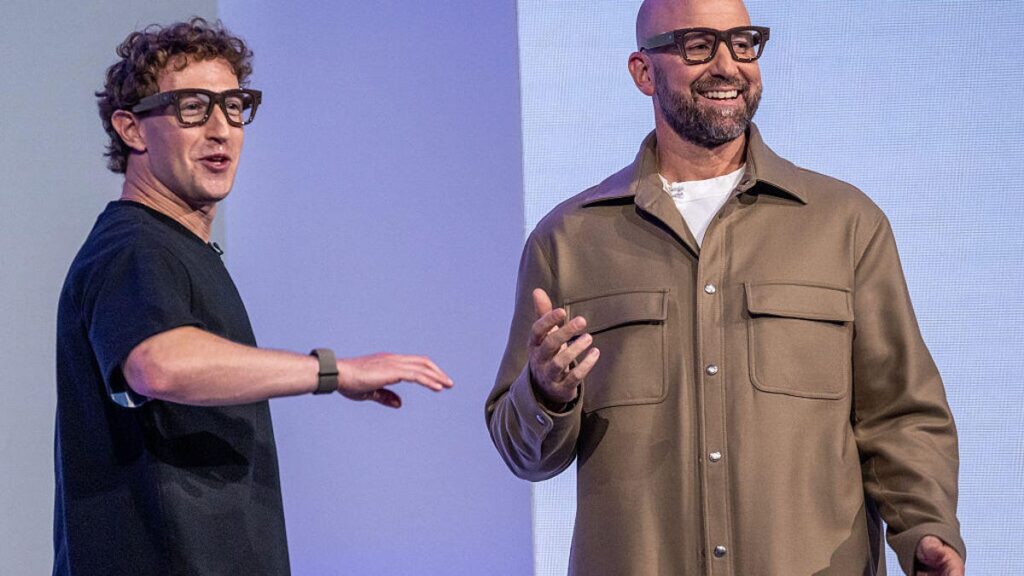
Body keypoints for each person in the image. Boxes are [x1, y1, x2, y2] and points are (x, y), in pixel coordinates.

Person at [485, 0, 964, 574]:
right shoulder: (568, 240)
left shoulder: (844, 224)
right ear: (643, 72)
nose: (728, 65)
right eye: (696, 45)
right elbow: (522, 453)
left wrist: (927, 530)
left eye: (743, 43)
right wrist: (545, 393)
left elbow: (900, 413)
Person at [54, 18, 453, 575]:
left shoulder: (176, 248)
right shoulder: (134, 245)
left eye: (234, 106)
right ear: (132, 129)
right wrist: (332, 372)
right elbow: (158, 364)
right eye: (192, 107)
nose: (221, 129)